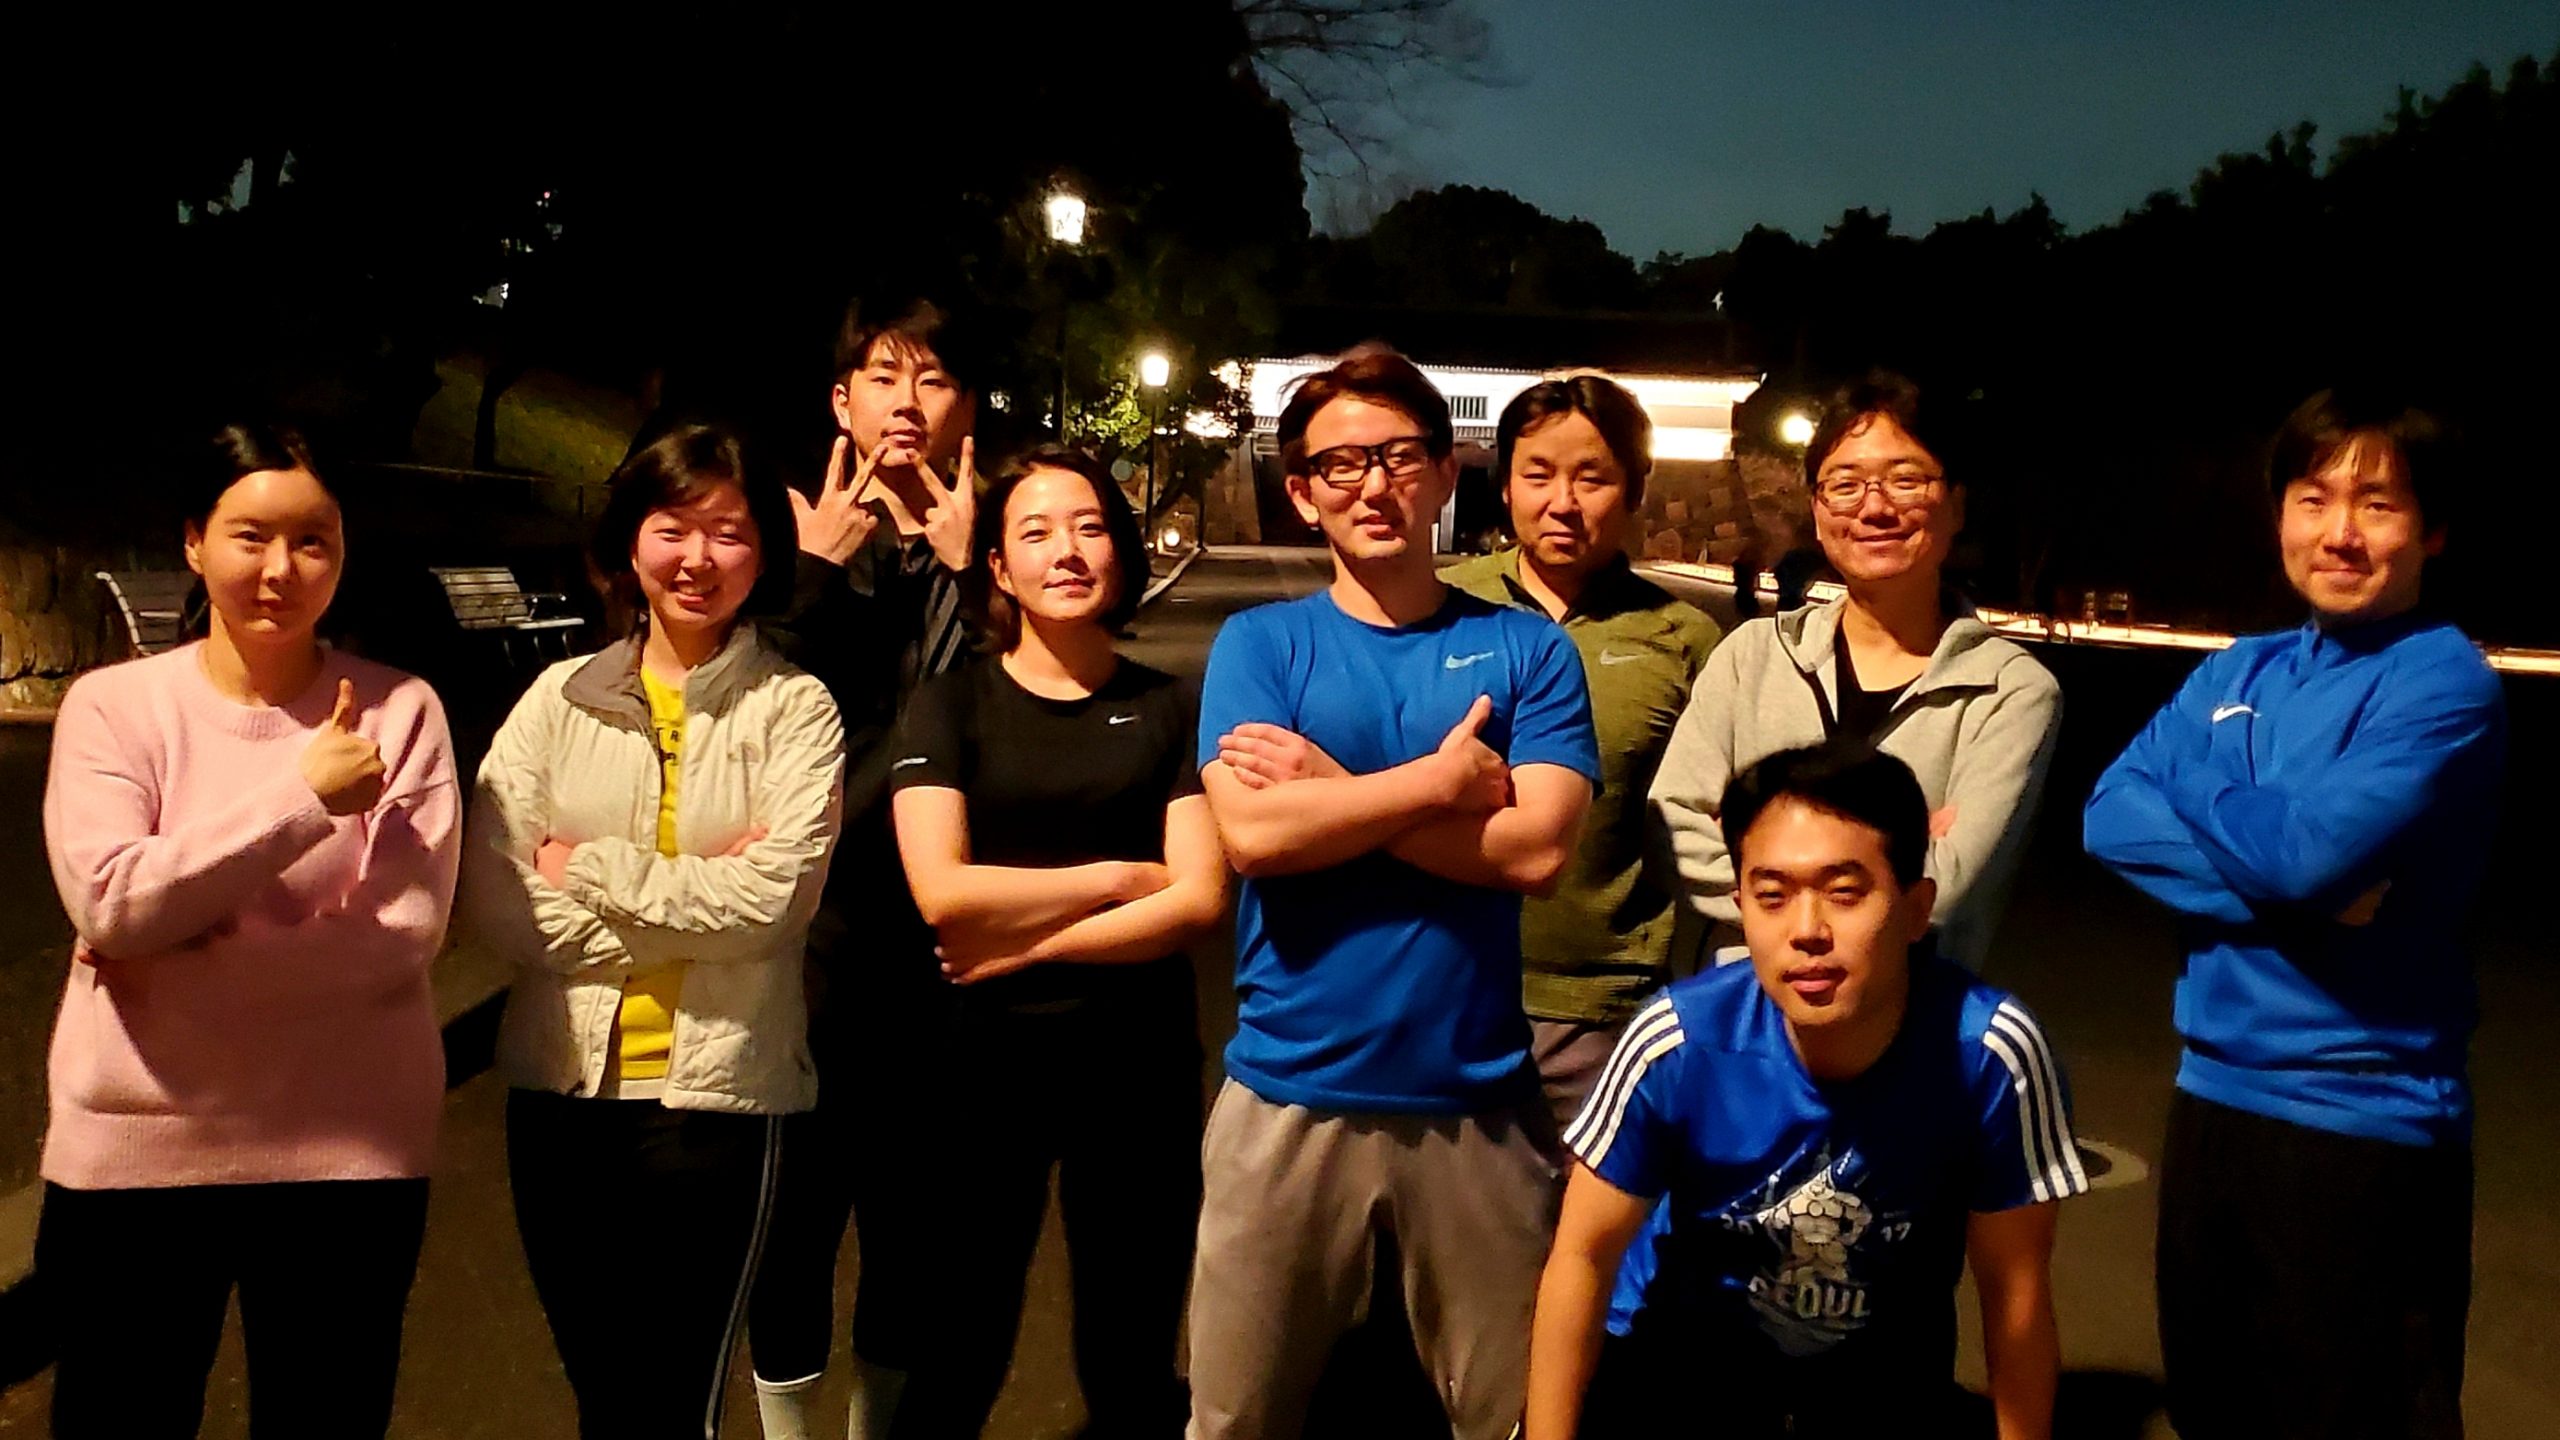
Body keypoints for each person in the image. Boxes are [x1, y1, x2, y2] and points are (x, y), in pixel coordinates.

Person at [1192, 348, 1599, 1439]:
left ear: (1445, 470)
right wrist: (1437, 784)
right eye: (1340, 465)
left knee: (1510, 1418)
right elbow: (1253, 836)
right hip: (1285, 1092)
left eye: (1398, 456)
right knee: (1235, 1420)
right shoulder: (1261, 644)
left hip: (1476, 1099)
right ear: (1301, 491)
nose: (1372, 485)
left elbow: (1533, 852)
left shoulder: (1523, 650)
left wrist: (1333, 792)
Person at [2083, 388, 2505, 1440]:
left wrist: (2205, 791)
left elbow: (2305, 853)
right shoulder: (2242, 666)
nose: (2340, 532)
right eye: (2312, 498)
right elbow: (2104, 814)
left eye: (2378, 504)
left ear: (2434, 529)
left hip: (2365, 1125)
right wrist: (2283, 868)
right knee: (2217, 1410)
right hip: (2210, 1102)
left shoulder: (2443, 683)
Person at [37, 423, 462, 1439]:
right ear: (194, 541)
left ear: (345, 550)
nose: (281, 569)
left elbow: (399, 937)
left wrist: (166, 954)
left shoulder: (402, 714)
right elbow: (111, 903)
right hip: (136, 1156)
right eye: (249, 535)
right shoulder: (113, 709)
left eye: (313, 540)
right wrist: (304, 800)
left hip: (347, 1158)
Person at [1527, 743, 2086, 1439]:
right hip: (1678, 1371)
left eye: (1845, 892)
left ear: (1917, 909)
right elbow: (1583, 1256)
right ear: (1740, 907)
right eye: (1773, 896)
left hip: (1881, 1387)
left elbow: (2017, 1294)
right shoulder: (1676, 1041)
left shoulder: (1993, 1054)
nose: (1807, 932)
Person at [464, 423, 845, 1440]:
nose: (697, 557)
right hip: (561, 1096)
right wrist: (684, 911)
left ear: (764, 552)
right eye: (672, 526)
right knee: (602, 1398)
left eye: (728, 531)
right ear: (630, 540)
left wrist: (584, 867)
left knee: (675, 1405)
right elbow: (492, 891)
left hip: (717, 1102)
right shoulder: (557, 700)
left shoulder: (796, 711)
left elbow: (772, 905)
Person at [885, 447, 1226, 1438]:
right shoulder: (949, 704)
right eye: (1033, 533)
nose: (1064, 552)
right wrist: (1119, 881)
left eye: (1085, 528)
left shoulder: (1172, 705)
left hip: (1138, 1072)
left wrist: (1025, 943)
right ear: (996, 565)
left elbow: (1198, 900)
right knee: (956, 1351)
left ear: (1117, 548)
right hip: (976, 1074)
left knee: (1126, 1361)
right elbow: (943, 893)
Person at [750, 296, 985, 1439]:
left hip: (947, 948)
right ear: (840, 403)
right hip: (811, 946)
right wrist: (808, 577)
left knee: (913, 1227)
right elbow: (747, 730)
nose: (906, 398)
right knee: (792, 1217)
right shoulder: (784, 538)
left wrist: (972, 577)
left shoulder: (993, 549)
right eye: (882, 377)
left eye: (931, 377)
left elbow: (1002, 721)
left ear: (965, 409)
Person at [1651, 370, 2059, 972]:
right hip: (1745, 1021)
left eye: (1906, 479)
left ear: (1957, 504)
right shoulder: (1751, 659)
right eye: (1844, 484)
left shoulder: (2008, 691)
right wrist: (1890, 855)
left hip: (1915, 1036)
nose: (1874, 507)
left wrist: (1759, 853)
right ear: (1816, 508)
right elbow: (1673, 833)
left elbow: (1949, 889)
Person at [1442, 375, 1722, 1127]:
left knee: (1592, 1242)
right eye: (1537, 474)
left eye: (1591, 477)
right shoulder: (1440, 608)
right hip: (1438, 988)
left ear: (1634, 490)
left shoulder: (1683, 638)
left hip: (1607, 1011)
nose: (1562, 501)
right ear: (1504, 486)